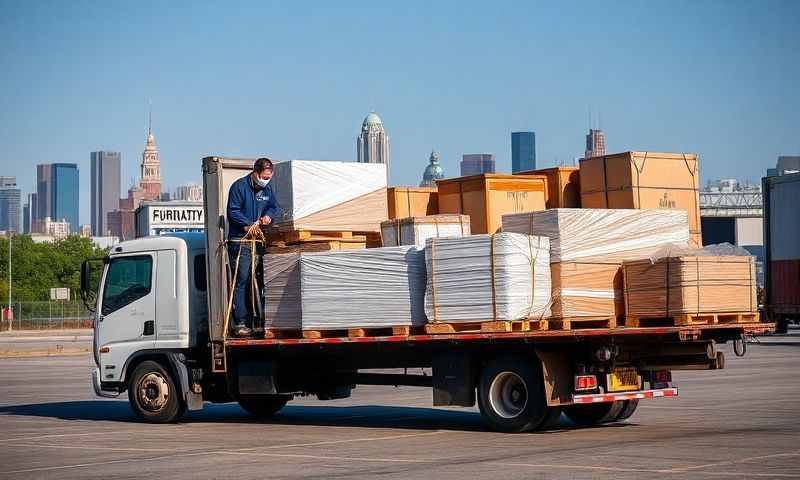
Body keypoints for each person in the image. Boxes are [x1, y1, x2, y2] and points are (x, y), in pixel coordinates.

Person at [226, 157, 279, 337]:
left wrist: (268, 217)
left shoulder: (267, 190)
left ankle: (258, 320)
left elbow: (273, 207)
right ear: (255, 173)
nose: (265, 180)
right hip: (241, 241)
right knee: (242, 279)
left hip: (257, 241)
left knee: (259, 279)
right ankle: (241, 321)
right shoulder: (239, 187)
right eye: (263, 177)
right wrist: (247, 225)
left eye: (268, 177)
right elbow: (233, 211)